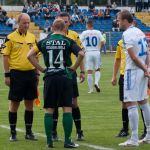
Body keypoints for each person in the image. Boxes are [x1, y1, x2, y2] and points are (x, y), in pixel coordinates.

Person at [27, 18, 84, 148]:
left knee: (49, 110)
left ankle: (49, 141)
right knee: (67, 108)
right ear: (64, 28)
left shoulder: (44, 41)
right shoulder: (68, 41)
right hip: (65, 76)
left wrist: (42, 69)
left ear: (52, 28)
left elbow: (29, 55)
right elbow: (81, 53)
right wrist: (74, 68)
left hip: (50, 77)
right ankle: (68, 141)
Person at [2, 13, 38, 141]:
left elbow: (36, 55)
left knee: (30, 104)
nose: (27, 25)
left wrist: (37, 72)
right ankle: (13, 133)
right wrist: (7, 75)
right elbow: (5, 56)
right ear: (18, 23)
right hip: (16, 74)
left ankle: (29, 132)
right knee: (14, 104)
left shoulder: (33, 37)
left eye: (28, 22)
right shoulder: (10, 37)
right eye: (24, 23)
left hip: (30, 74)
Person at [117, 10, 150, 147]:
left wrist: (144, 69)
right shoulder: (139, 31)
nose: (117, 22)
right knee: (143, 102)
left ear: (125, 20)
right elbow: (147, 52)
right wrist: (147, 69)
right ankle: (148, 135)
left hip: (133, 71)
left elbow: (134, 57)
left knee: (130, 103)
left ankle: (134, 138)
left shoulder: (127, 34)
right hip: (142, 71)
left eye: (119, 20)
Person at [52, 12, 85, 141]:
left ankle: (79, 131)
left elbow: (81, 54)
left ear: (69, 22)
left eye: (66, 21)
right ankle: (54, 132)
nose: (64, 24)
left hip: (70, 72)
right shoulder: (52, 36)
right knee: (54, 104)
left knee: (73, 103)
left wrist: (81, 71)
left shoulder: (74, 36)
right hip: (55, 74)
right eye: (62, 21)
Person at [80, 19, 104, 93]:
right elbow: (102, 42)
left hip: (88, 52)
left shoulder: (84, 33)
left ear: (87, 25)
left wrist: (83, 49)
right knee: (97, 69)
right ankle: (96, 83)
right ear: (93, 25)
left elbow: (79, 42)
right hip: (96, 52)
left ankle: (90, 90)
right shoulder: (98, 32)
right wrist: (99, 49)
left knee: (89, 71)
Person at [111, 39, 129, 137]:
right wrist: (114, 75)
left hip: (134, 74)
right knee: (124, 103)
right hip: (123, 75)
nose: (118, 22)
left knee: (140, 102)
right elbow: (118, 59)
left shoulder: (138, 40)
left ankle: (146, 130)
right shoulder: (120, 42)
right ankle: (125, 129)